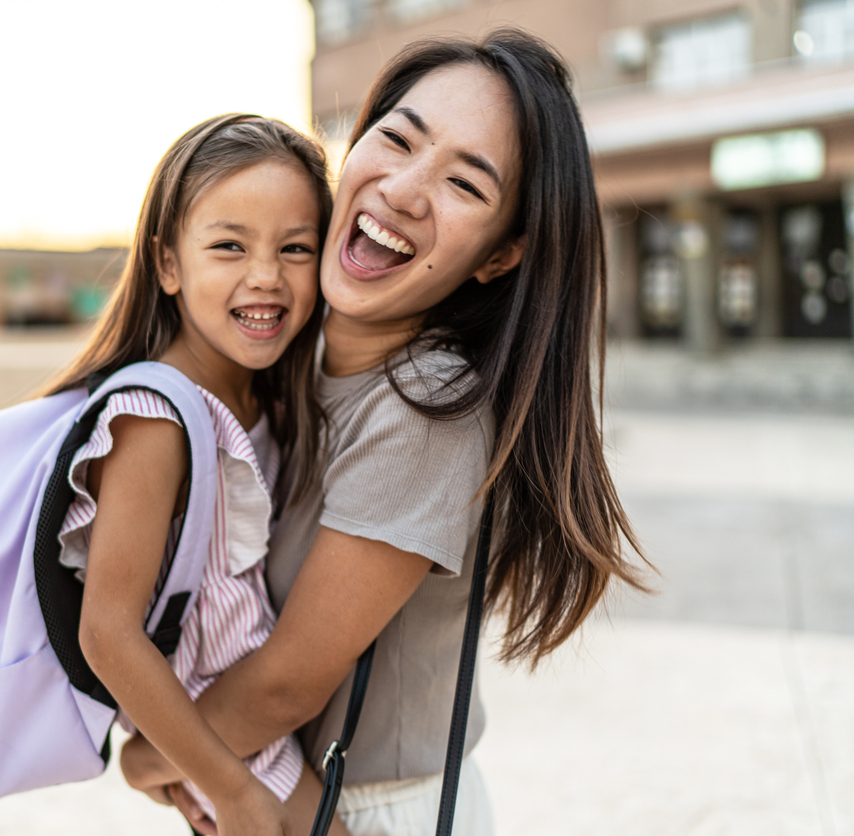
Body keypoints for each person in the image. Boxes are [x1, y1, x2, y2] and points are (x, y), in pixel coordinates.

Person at [118, 30, 651, 836]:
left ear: (500, 255)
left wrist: (150, 760)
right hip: (269, 787)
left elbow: (287, 685)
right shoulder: (295, 357)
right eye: (398, 139)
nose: (404, 190)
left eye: (464, 184)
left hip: (371, 813)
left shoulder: (427, 408)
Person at [40, 114, 350, 836]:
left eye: (295, 248)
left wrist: (153, 765)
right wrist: (230, 790)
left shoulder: (267, 400)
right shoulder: (156, 419)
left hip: (239, 739)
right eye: (229, 246)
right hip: (234, 752)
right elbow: (108, 633)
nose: (266, 275)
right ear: (168, 265)